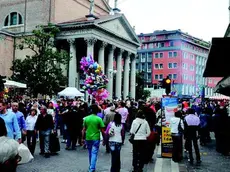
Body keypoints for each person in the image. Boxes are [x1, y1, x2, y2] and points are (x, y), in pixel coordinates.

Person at [82, 104, 105, 172]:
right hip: (96, 138)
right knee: (94, 153)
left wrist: (82, 138)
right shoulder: (99, 119)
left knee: (90, 152)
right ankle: (92, 168)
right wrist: (104, 139)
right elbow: (102, 130)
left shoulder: (86, 118)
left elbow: (83, 129)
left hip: (88, 137)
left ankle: (91, 165)